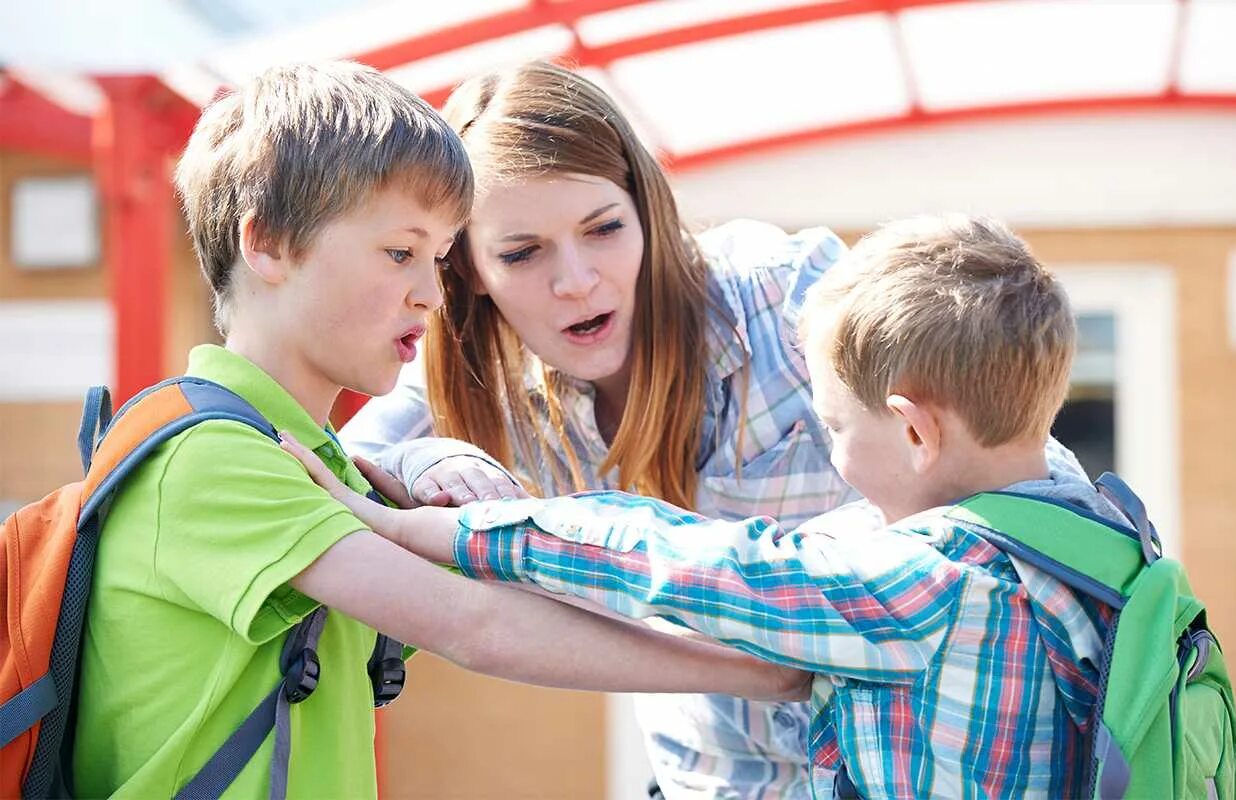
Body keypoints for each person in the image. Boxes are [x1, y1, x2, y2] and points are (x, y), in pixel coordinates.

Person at [69, 61, 810, 800]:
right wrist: (779, 665)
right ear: (268, 245)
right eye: (402, 254)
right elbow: (478, 625)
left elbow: (515, 602)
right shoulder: (216, 457)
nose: (430, 294)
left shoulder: (327, 466)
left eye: (436, 258)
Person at [297, 214, 1122, 798]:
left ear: (912, 432)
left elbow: (669, 555)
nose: (830, 451)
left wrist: (435, 528)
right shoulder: (1101, 540)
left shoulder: (913, 588)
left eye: (834, 426)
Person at [341, 60, 859, 798]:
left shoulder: (787, 294)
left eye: (604, 228)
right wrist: (424, 458)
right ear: (471, 270)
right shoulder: (473, 374)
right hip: (711, 783)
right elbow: (335, 469)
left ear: (642, 208)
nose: (577, 279)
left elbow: (1001, 467)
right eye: (523, 252)